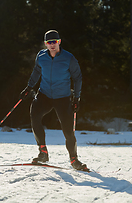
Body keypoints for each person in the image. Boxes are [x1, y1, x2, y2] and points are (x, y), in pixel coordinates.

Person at [20, 30, 88, 171]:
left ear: (59, 42)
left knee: (68, 130)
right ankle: (43, 152)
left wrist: (77, 97)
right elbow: (37, 71)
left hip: (62, 97)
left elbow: (77, 78)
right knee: (34, 115)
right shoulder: (41, 56)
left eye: (54, 42)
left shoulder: (69, 58)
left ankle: (74, 159)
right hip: (44, 94)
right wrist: (29, 87)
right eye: (49, 42)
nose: (52, 45)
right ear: (45, 44)